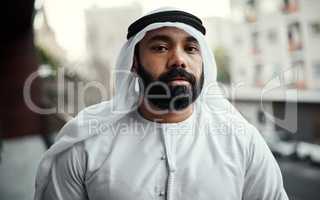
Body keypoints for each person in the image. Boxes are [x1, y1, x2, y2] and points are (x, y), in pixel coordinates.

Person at [34, 7, 289, 200]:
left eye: (191, 49)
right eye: (160, 48)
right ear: (133, 62)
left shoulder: (242, 141)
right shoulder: (86, 143)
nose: (179, 60)